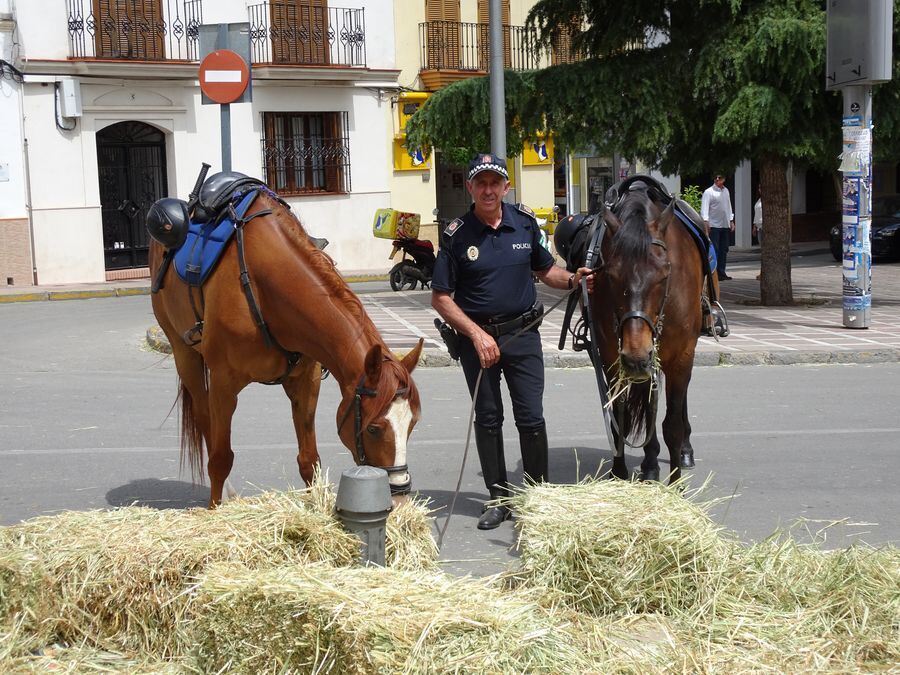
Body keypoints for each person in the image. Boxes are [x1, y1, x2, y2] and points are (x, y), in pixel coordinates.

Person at [431, 153, 592, 530]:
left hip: (522, 336)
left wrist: (573, 279)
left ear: (505, 187)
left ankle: (537, 496)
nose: (488, 190)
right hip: (477, 343)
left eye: (495, 183)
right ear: (470, 187)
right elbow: (441, 298)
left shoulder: (523, 224)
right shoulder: (456, 234)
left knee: (531, 417)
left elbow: (546, 269)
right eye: (480, 183)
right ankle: (498, 499)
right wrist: (476, 334)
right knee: (488, 419)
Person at [701, 175, 735, 280]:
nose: (717, 179)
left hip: (725, 224)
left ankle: (721, 272)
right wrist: (706, 222)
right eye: (716, 178)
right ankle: (714, 273)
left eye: (720, 178)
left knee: (724, 249)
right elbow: (704, 208)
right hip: (714, 225)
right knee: (714, 249)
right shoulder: (708, 192)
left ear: (724, 179)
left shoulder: (726, 191)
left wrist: (731, 220)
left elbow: (728, 206)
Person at [753, 190, 763, 279]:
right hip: (759, 227)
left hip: (764, 227)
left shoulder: (767, 200)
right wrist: (754, 226)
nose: (760, 189)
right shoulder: (759, 200)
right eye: (759, 187)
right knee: (763, 251)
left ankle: (763, 272)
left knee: (765, 251)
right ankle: (762, 272)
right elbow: (757, 215)